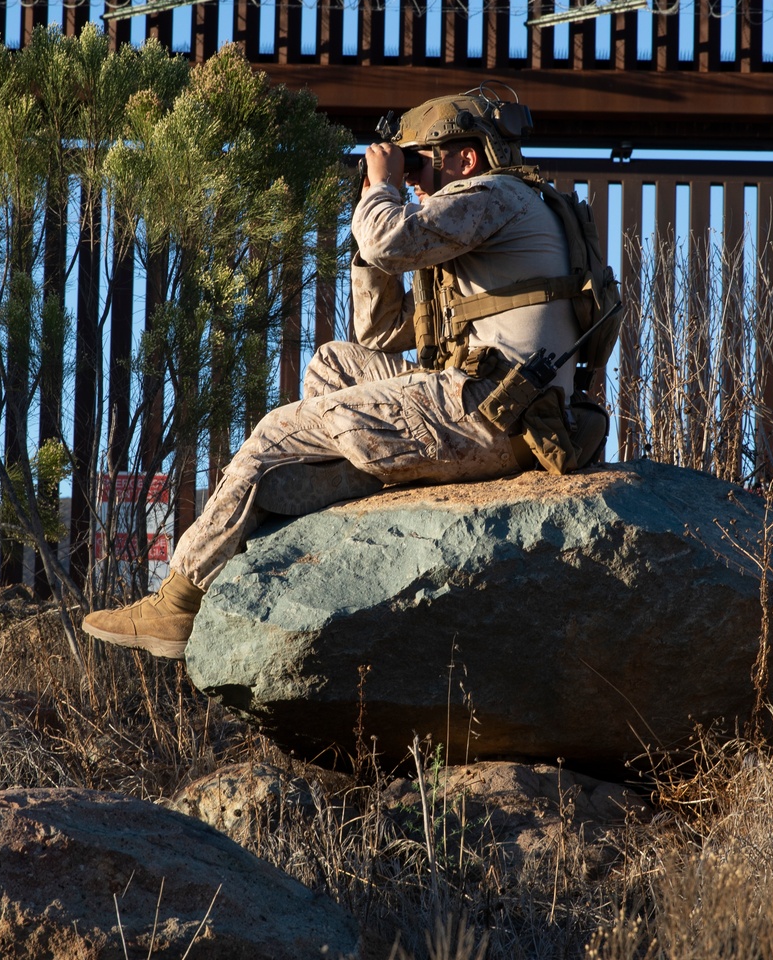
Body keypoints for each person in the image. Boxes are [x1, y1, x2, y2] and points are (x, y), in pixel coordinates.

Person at [83, 89, 603, 660]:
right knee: (332, 363)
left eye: (419, 162)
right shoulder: (498, 219)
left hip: (487, 412)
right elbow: (379, 333)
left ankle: (179, 601)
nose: (414, 180)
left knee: (279, 431)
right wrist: (371, 228)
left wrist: (382, 187)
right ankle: (335, 490)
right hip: (488, 406)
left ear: (465, 158)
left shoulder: (495, 194)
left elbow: (387, 235)